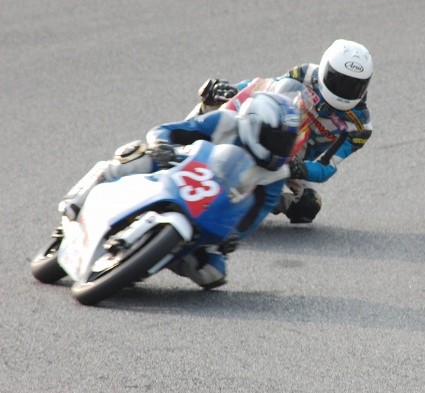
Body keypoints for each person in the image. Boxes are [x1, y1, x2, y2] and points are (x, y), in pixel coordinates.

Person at [59, 91, 301, 289]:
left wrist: (234, 234)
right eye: (275, 140)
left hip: (210, 210)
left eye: (286, 143)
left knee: (212, 274)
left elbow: (253, 216)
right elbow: (169, 130)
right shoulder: (224, 122)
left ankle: (143, 260)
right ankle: (77, 200)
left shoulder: (277, 174)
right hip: (177, 171)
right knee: (137, 156)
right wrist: (161, 145)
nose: (280, 149)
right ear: (254, 125)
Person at [194, 39, 374, 224]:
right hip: (271, 125)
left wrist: (302, 169)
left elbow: (327, 166)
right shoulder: (306, 73)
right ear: (325, 70)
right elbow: (266, 87)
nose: (344, 90)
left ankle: (256, 200)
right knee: (215, 94)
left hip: (294, 159)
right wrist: (235, 91)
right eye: (338, 81)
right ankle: (192, 128)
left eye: (353, 86)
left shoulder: (360, 127)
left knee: (308, 205)